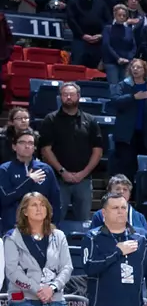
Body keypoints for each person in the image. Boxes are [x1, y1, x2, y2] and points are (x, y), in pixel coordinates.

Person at [38, 84, 101, 222]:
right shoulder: (50, 119)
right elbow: (45, 150)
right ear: (60, 97)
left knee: (84, 222)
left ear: (78, 96)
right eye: (65, 94)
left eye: (71, 94)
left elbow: (98, 150)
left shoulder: (90, 120)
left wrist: (83, 173)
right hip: (58, 180)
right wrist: (62, 172)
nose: (68, 97)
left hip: (84, 180)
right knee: (54, 221)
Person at [0, 129, 62, 225]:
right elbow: (4, 199)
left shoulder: (45, 169)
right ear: (14, 146)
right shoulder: (5, 169)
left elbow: (55, 201)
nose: (27, 146)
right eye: (22, 142)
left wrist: (54, 225)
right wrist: (29, 181)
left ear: (34, 148)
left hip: (42, 227)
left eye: (30, 143)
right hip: (13, 227)